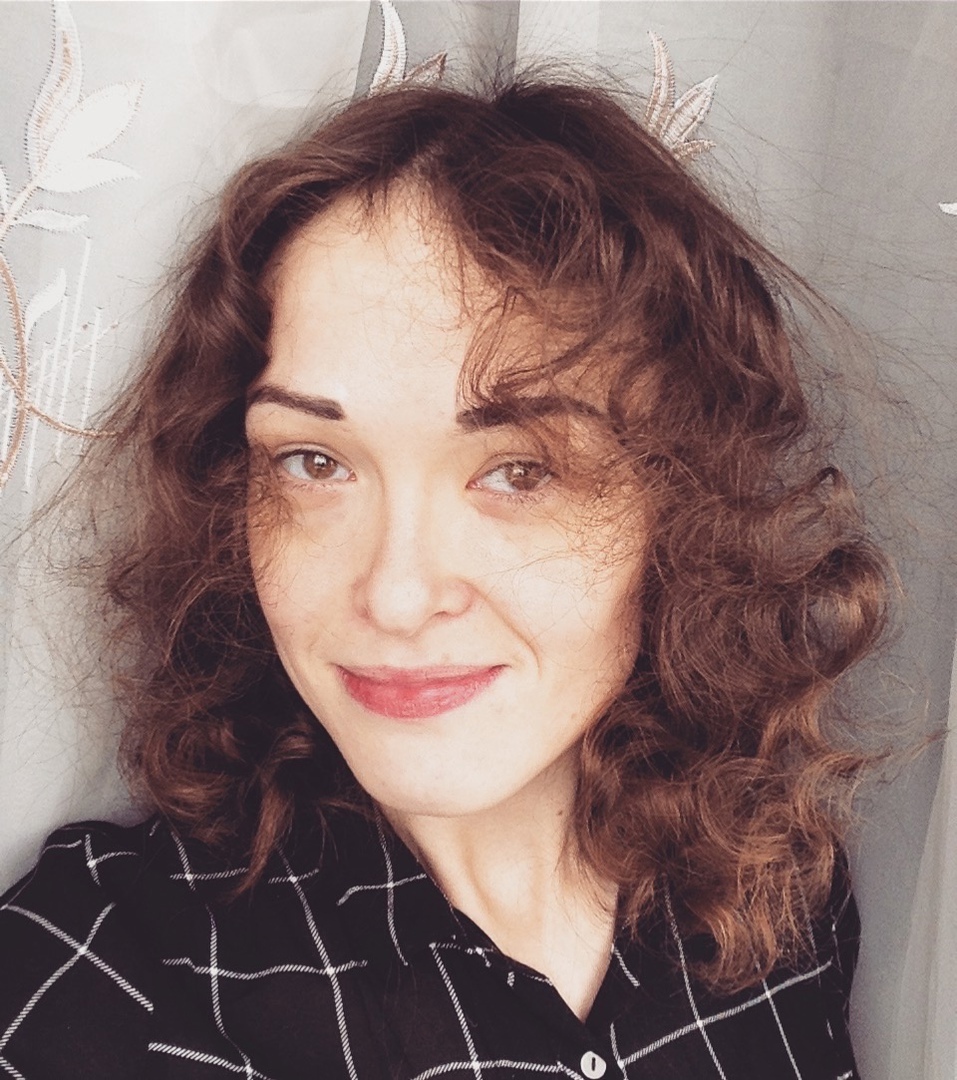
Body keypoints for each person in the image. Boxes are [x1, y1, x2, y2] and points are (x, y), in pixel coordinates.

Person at [0, 74, 887, 1079]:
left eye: (522, 471)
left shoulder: (778, 897)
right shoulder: (107, 984)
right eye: (313, 463)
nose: (395, 595)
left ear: (683, 506)